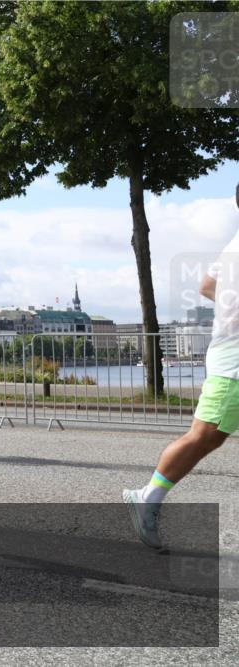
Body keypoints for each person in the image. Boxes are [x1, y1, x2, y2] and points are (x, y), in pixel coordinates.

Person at [123, 183, 239, 550]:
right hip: (234, 364)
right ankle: (148, 498)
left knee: (209, 437)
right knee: (203, 436)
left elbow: (207, 285)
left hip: (229, 355)